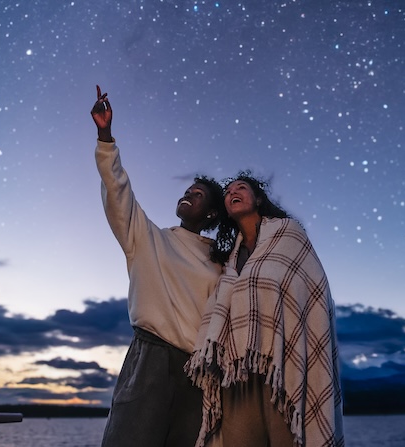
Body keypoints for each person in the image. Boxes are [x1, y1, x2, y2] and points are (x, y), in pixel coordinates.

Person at [91, 85, 226, 447]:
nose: (188, 195)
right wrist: (106, 137)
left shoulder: (221, 262)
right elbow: (119, 194)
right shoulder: (150, 239)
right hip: (149, 359)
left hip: (198, 374)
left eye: (199, 195)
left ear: (212, 213)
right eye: (188, 190)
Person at [186, 172, 345, 447]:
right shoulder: (229, 262)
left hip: (282, 370)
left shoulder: (289, 235)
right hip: (236, 375)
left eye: (242, 187)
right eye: (228, 192)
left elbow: (311, 292)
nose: (233, 192)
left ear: (258, 198)